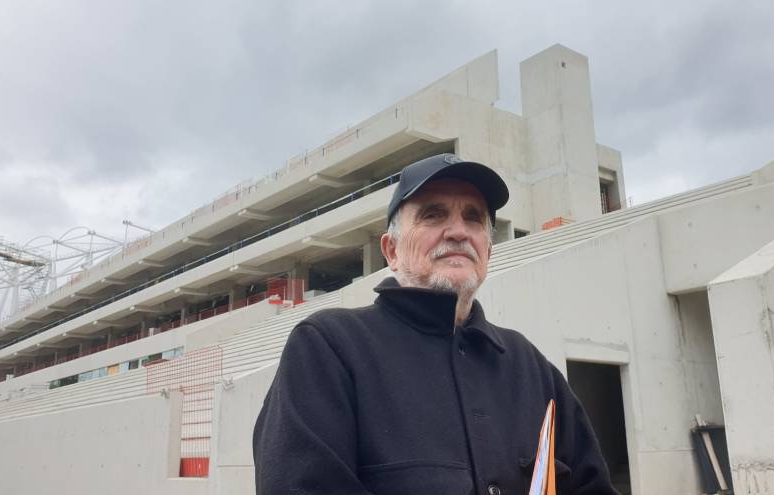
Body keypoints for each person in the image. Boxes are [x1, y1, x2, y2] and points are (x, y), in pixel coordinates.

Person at [253, 153, 617, 494]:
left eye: (473, 217)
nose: (458, 231)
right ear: (391, 251)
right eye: (433, 215)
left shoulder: (532, 367)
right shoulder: (328, 348)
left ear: (487, 251)